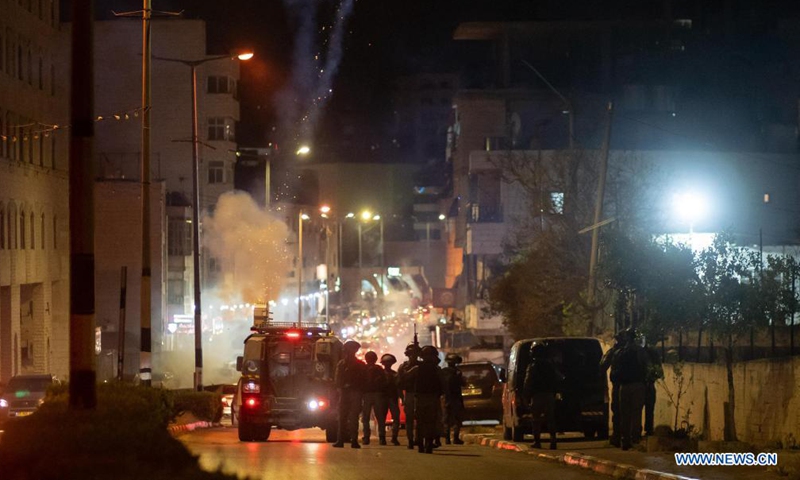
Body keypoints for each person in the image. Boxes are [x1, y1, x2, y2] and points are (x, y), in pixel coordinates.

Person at [612, 328, 650, 450]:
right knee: (636, 413)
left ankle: (625, 440)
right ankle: (635, 439)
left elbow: (614, 370)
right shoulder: (640, 351)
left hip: (623, 386)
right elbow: (646, 367)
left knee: (625, 414)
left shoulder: (620, 352)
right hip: (637, 385)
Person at [522, 342, 563, 450]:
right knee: (550, 419)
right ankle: (553, 441)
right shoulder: (550, 366)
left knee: (536, 420)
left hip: (537, 396)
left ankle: (537, 441)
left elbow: (528, 382)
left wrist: (525, 396)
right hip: (549, 395)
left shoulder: (533, 366)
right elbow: (559, 379)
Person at [333, 339, 366, 449]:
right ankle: (345, 440)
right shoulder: (343, 364)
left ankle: (349, 440)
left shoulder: (357, 365)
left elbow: (363, 380)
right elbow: (338, 380)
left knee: (351, 417)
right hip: (346, 392)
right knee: (344, 417)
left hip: (353, 392)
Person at [412, 345, 443, 453]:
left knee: (421, 421)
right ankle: (427, 444)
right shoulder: (436, 369)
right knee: (431, 421)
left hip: (422, 398)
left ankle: (421, 443)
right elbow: (443, 383)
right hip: (431, 397)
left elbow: (405, 377)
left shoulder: (417, 368)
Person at [600, 331, 625, 447]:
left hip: (618, 385)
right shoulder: (636, 351)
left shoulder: (615, 352)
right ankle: (630, 437)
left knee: (617, 411)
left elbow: (602, 366)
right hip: (633, 384)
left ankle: (617, 436)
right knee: (630, 412)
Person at [360, 351, 388, 445]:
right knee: (380, 417)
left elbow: (360, 382)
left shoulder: (363, 369)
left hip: (367, 394)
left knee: (366, 417)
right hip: (377, 394)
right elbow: (384, 382)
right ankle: (382, 438)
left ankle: (366, 437)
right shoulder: (379, 369)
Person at [397, 342, 421, 449]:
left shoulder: (422, 366)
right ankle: (410, 440)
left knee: (421, 418)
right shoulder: (403, 366)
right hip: (409, 394)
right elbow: (399, 382)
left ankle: (418, 439)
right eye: (411, 354)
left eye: (415, 353)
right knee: (409, 419)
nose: (413, 356)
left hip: (420, 394)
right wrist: (402, 398)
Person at [440, 353, 465, 445]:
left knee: (446, 418)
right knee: (457, 419)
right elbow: (463, 383)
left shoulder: (443, 372)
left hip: (445, 398)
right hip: (455, 398)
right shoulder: (457, 372)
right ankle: (455, 438)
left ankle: (447, 439)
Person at [643, 335, 664, 437]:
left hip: (640, 384)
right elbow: (659, 372)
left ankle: (636, 433)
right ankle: (648, 430)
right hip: (649, 384)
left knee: (636, 411)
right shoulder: (653, 353)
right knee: (649, 409)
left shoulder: (639, 352)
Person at [378, 353, 402, 445]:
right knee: (391, 418)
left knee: (383, 419)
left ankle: (386, 438)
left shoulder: (382, 374)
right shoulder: (393, 374)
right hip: (388, 398)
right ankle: (388, 438)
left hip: (388, 398)